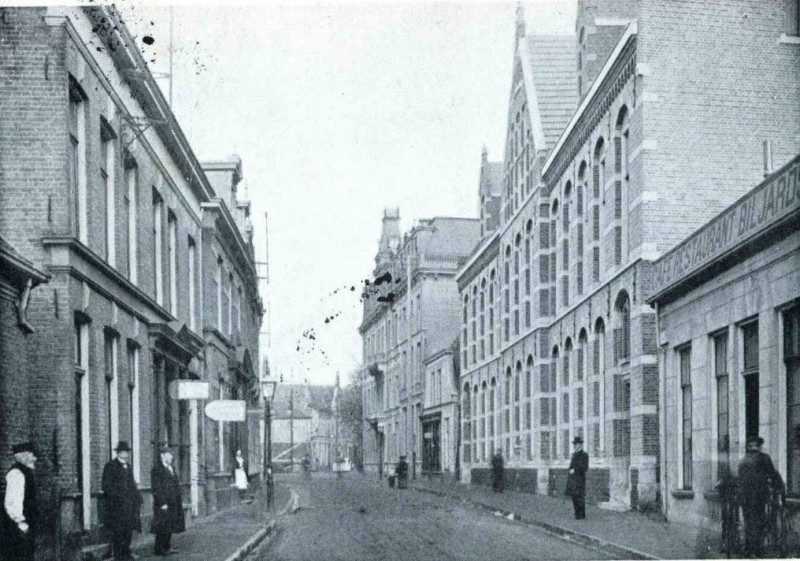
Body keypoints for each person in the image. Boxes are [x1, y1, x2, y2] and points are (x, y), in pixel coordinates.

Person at [737, 436, 785, 558]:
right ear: (759, 446)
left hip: (744, 497)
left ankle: (749, 550)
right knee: (759, 522)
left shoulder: (743, 460)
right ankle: (758, 550)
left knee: (749, 523)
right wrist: (781, 486)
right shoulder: (764, 458)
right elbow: (773, 474)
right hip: (758, 497)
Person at [101, 441, 143, 560]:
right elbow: (106, 486)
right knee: (118, 530)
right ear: (118, 453)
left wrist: (138, 498)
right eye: (123, 452)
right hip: (117, 506)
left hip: (129, 505)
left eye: (126, 452)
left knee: (128, 530)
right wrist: (117, 498)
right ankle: (118, 554)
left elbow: (132, 484)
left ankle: (126, 551)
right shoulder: (110, 466)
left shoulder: (128, 466)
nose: (125, 455)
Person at [0, 442, 38, 561]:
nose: (34, 458)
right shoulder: (16, 474)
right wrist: (21, 523)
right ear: (24, 456)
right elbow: (12, 502)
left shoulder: (25, 472)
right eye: (32, 454)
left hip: (23, 527)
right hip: (16, 528)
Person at [150, 445, 185, 557]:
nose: (171, 457)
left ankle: (167, 546)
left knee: (170, 525)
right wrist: (162, 502)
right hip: (163, 503)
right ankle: (159, 548)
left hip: (173, 502)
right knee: (162, 526)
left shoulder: (171, 468)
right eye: (169, 455)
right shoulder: (157, 469)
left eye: (171, 455)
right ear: (162, 456)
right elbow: (157, 488)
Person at [566, 436, 589, 519]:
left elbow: (585, 467)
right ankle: (577, 514)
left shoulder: (584, 455)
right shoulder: (574, 455)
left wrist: (574, 470)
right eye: (575, 444)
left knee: (580, 497)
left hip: (580, 479)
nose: (576, 446)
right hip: (573, 479)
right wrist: (570, 470)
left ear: (581, 445)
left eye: (577, 444)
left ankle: (581, 515)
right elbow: (571, 466)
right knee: (574, 496)